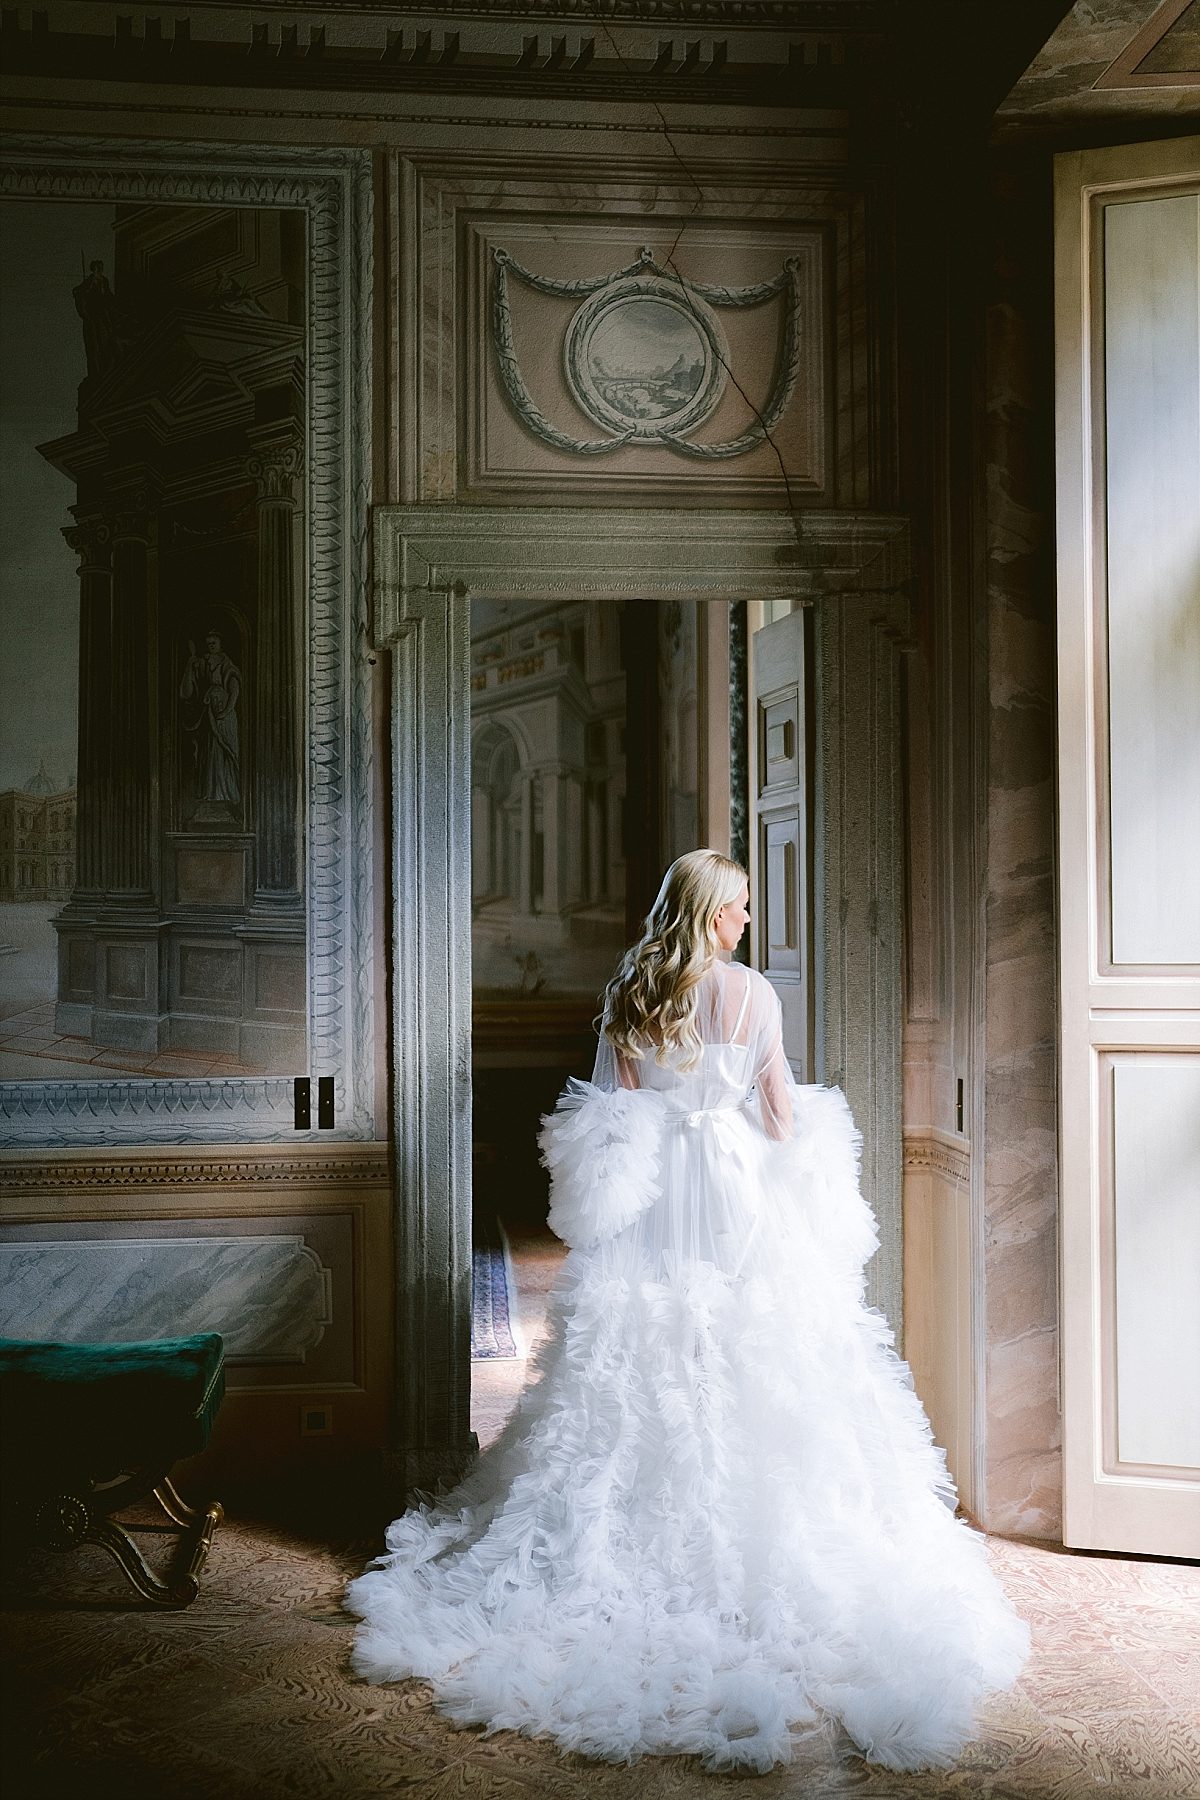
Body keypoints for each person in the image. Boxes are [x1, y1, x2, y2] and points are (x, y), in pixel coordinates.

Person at [347, 849, 1029, 1773]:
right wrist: (802, 1167)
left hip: (659, 1190)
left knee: (650, 1343)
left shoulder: (633, 990)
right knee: (759, 1339)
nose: (747, 920)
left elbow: (612, 1114)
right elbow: (781, 1114)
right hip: (738, 1186)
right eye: (741, 907)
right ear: (712, 915)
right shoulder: (755, 996)